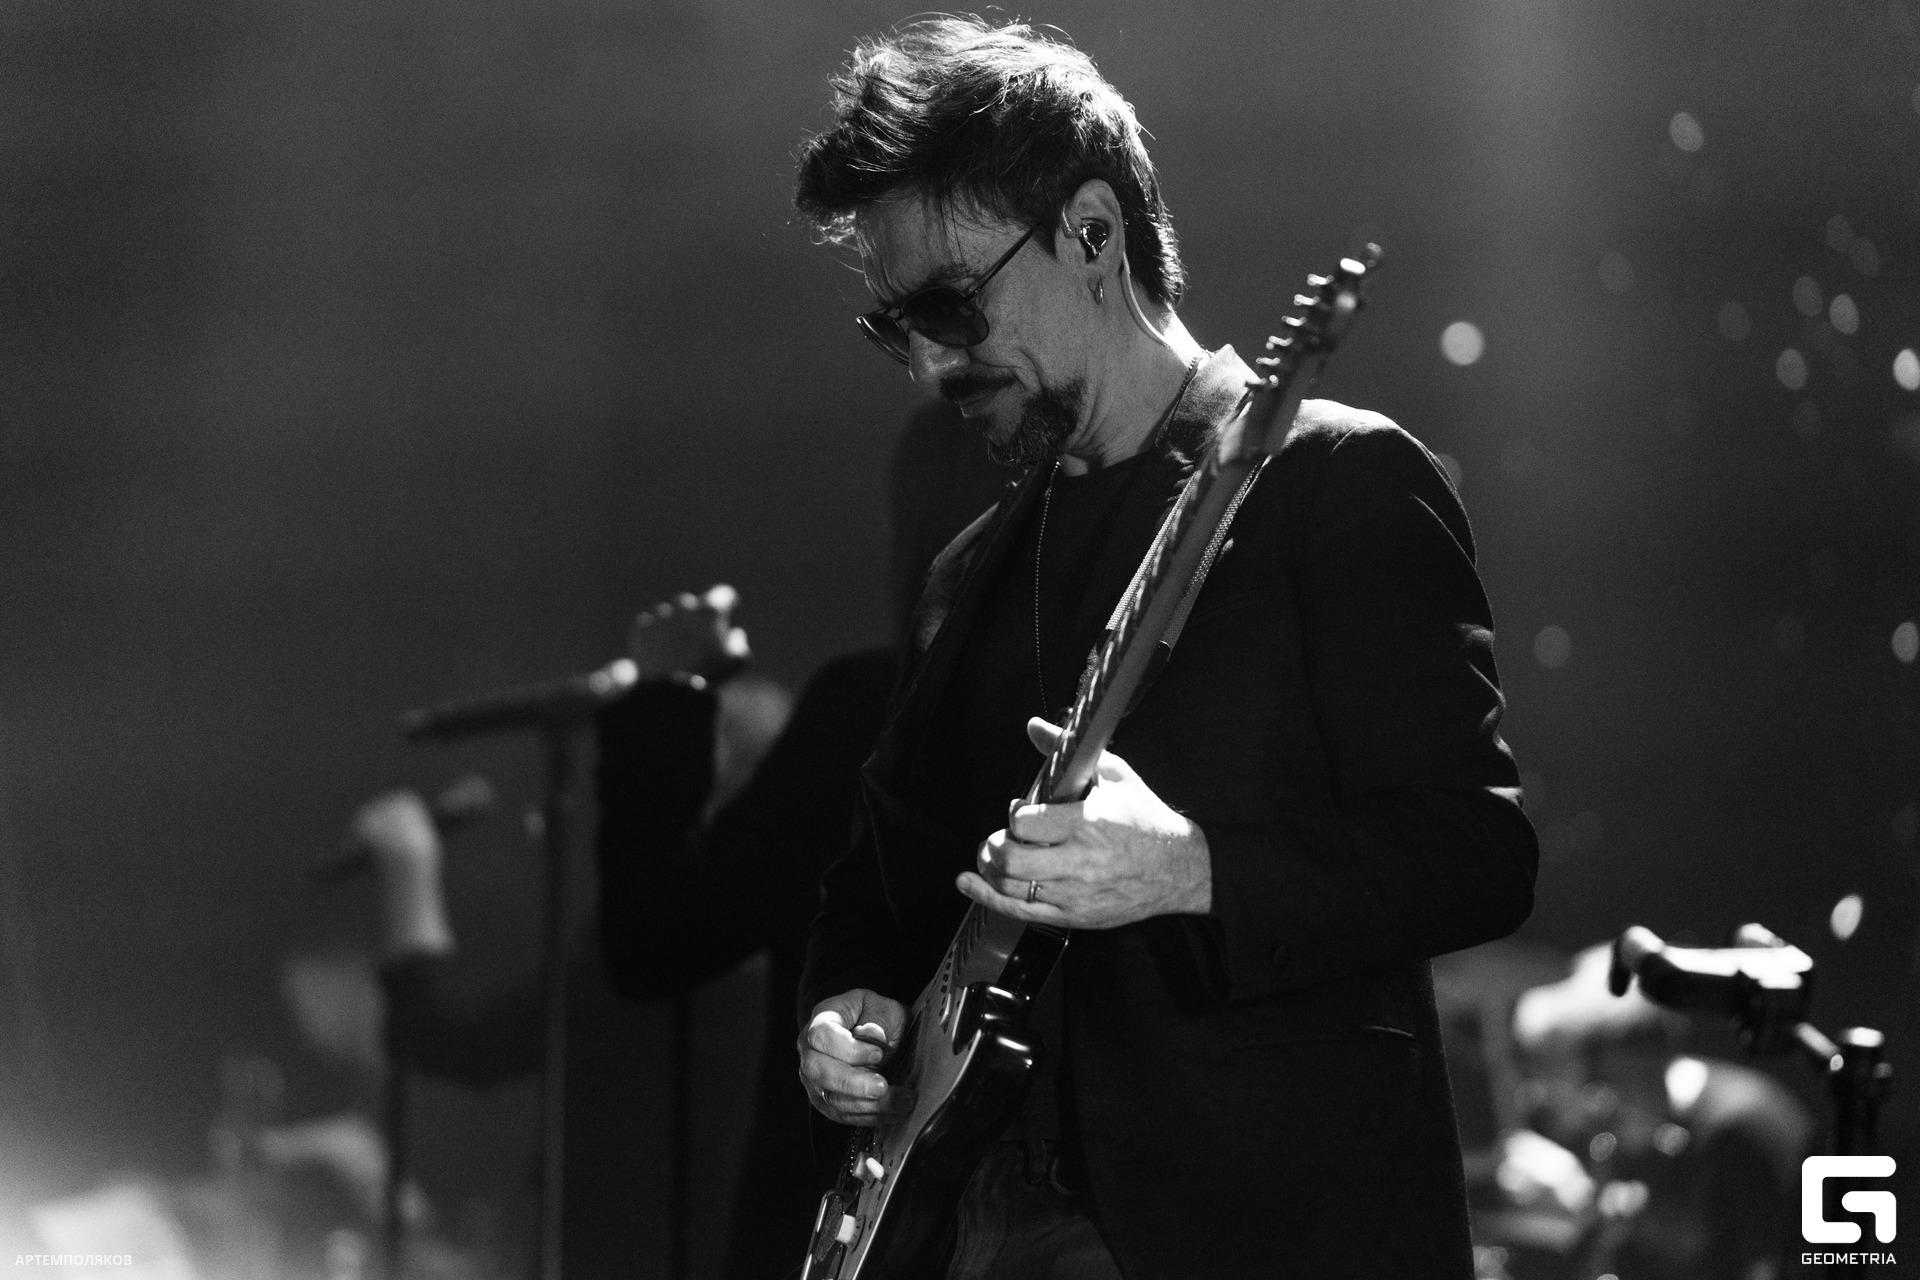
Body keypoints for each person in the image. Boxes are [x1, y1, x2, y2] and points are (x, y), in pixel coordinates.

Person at [791, 17, 1539, 1277]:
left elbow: (1480, 855)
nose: (926, 362)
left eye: (950, 306)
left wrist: (1189, 870)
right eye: (895, 326)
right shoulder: (968, 572)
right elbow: (872, 890)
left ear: (1093, 232)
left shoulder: (1333, 481)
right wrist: (844, 1012)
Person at [1496, 944, 1813, 1280]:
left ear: (1631, 1070)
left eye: (1594, 1092)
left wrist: (1586, 1201)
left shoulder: (1745, 1131)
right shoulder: (1635, 1132)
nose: (1592, 1115)